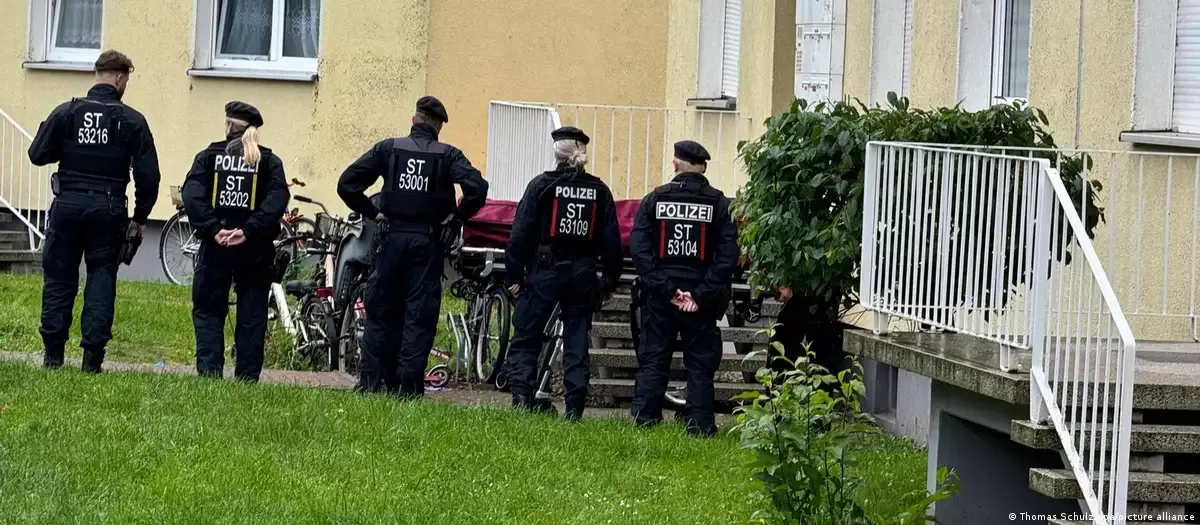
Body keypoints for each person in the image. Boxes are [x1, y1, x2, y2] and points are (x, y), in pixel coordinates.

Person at [337, 96, 489, 399]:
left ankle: (371, 383)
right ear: (438, 126)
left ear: (413, 119)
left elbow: (347, 183)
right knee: (418, 315)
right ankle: (409, 388)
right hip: (426, 243)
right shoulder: (448, 155)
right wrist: (458, 216)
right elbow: (477, 188)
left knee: (381, 312)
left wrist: (371, 211)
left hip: (390, 239)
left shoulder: (389, 148)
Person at [27, 50, 161, 373]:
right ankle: (91, 361)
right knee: (101, 278)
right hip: (108, 209)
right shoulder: (132, 121)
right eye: (126, 79)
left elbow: (36, 153)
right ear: (119, 78)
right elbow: (149, 177)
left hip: (67, 205)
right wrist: (140, 219)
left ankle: (53, 357)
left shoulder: (67, 112)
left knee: (59, 278)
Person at [504, 126, 623, 421]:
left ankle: (522, 397)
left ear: (556, 152)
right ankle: (574, 408)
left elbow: (519, 234)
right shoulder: (599, 191)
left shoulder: (540, 186)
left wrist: (514, 276)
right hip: (583, 273)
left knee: (527, 334)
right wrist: (609, 281)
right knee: (577, 339)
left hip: (544, 271)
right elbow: (612, 241)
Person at [628, 140, 739, 437]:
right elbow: (727, 257)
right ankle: (700, 426)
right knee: (700, 365)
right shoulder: (719, 204)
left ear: (675, 165)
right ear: (703, 168)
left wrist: (666, 291)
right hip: (700, 302)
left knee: (653, 359)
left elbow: (640, 250)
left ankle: (645, 422)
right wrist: (700, 294)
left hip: (661, 299)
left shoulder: (655, 199)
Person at [182, 101, 290, 382]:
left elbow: (192, 194)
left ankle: (209, 374)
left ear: (229, 126)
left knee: (208, 310)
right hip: (255, 249)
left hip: (216, 247)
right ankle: (247, 378)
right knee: (252, 314)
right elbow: (277, 200)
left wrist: (213, 228)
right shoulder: (269, 161)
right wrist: (249, 230)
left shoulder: (208, 156)